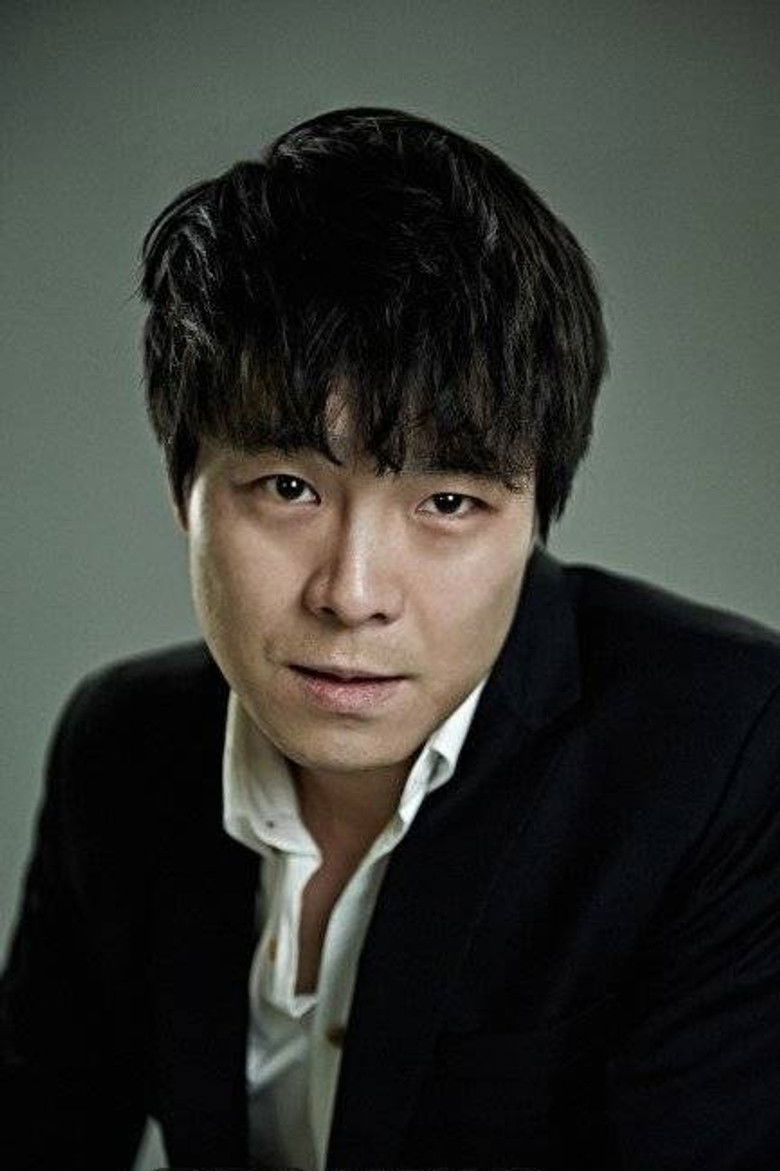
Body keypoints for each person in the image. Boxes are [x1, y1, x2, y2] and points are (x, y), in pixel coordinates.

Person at [2, 106, 779, 1171]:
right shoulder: (120, 747)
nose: (353, 593)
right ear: (185, 490)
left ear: (536, 513)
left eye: (449, 502)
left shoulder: (726, 751)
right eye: (288, 487)